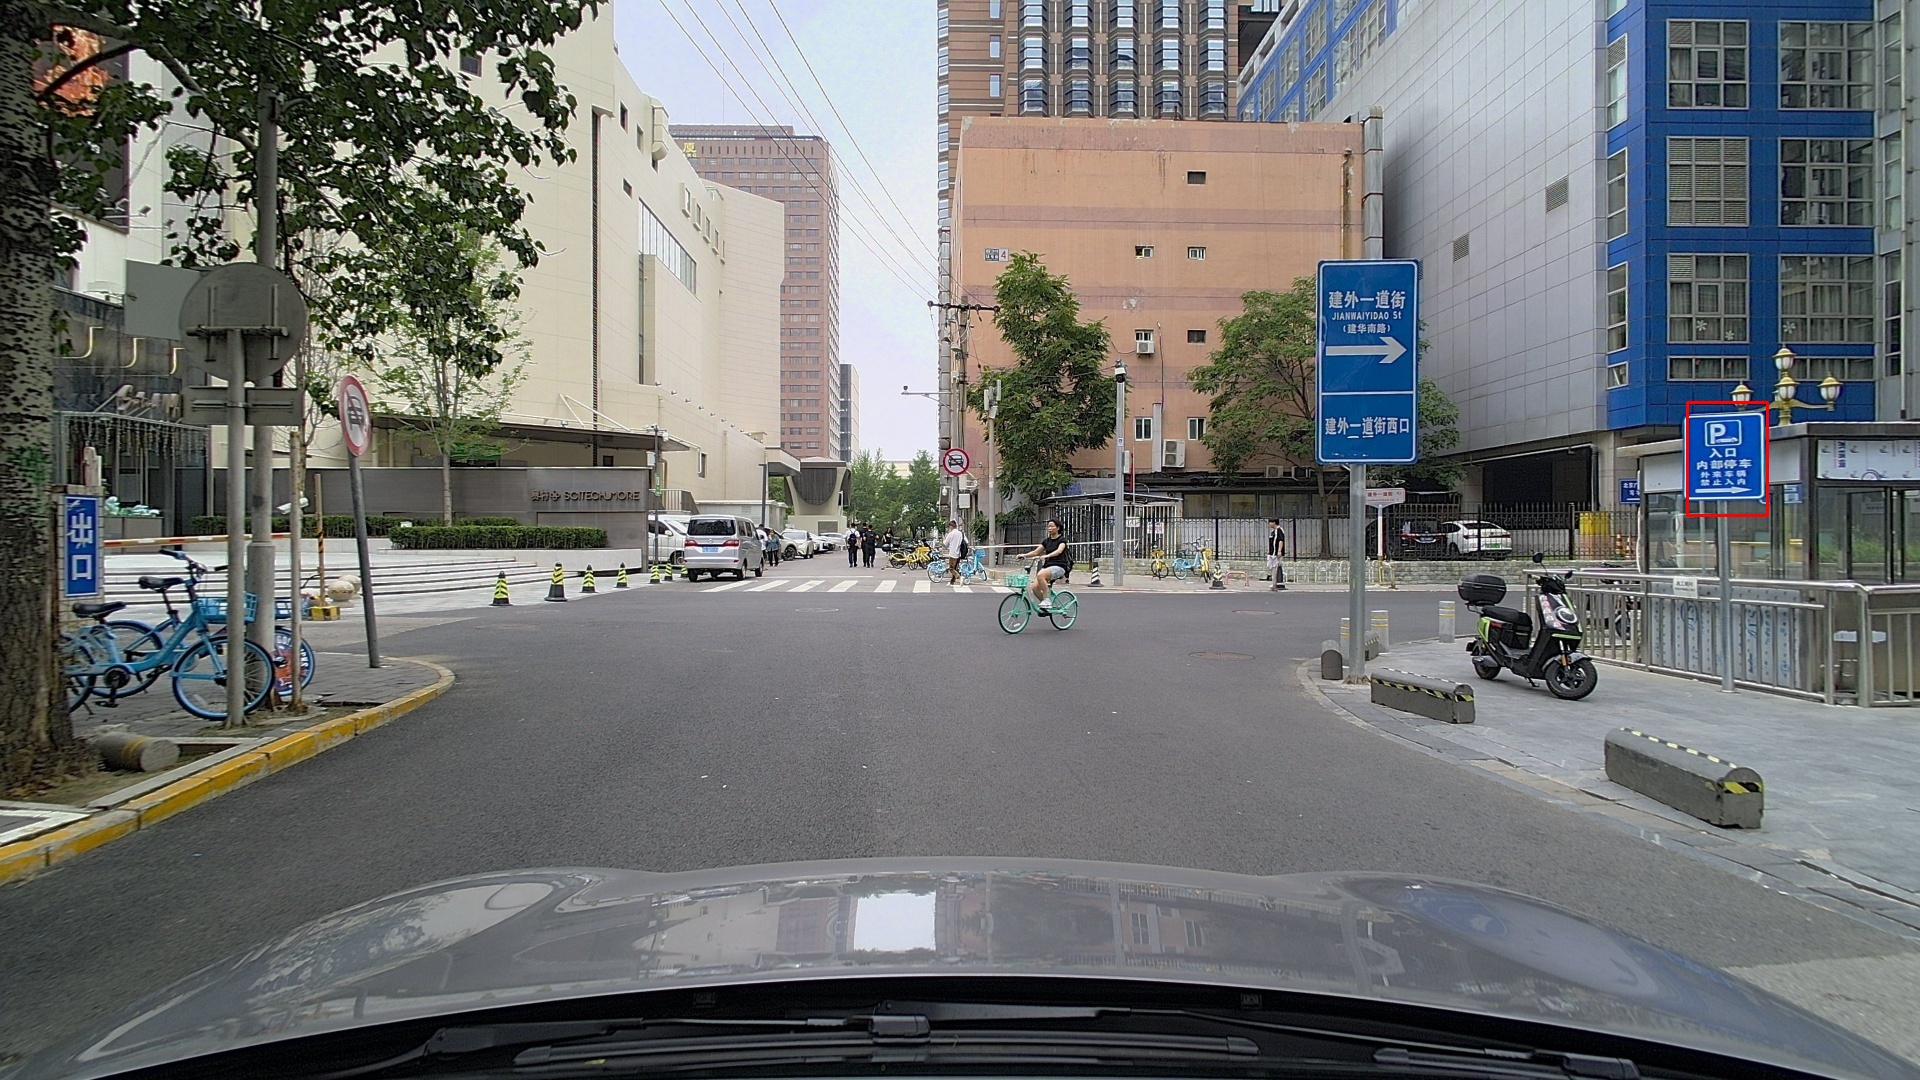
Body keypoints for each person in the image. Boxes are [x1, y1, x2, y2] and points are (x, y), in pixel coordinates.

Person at [1019, 518, 1072, 611]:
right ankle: (1046, 605)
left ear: (1058, 528)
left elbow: (1059, 551)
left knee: (1040, 575)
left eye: (1052, 526)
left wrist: (1048, 555)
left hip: (1059, 566)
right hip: (1048, 566)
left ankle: (1047, 600)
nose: (1050, 528)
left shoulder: (1062, 540)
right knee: (1034, 587)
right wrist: (1024, 555)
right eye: (1048, 526)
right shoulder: (1046, 541)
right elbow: (1036, 552)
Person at [942, 519, 967, 585]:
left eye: (949, 527)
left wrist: (944, 539)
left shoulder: (950, 534)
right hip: (959, 554)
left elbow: (945, 543)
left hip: (952, 554)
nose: (949, 528)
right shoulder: (961, 533)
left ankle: (960, 577)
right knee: (955, 568)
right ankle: (952, 582)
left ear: (951, 526)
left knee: (951, 569)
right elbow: (966, 541)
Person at [1266, 518, 1288, 591]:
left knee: (1275, 568)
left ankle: (1274, 584)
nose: (1269, 524)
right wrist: (1269, 550)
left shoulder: (1279, 530)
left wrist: (1279, 551)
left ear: (1274, 523)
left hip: (1276, 553)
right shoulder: (1273, 532)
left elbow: (1281, 541)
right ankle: (1274, 583)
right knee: (1271, 567)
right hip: (1271, 553)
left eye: (1270, 522)